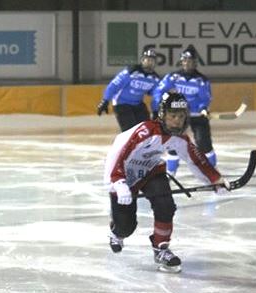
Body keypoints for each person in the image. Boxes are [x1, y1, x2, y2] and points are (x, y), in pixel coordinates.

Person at [105, 92, 228, 273]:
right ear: (162, 114)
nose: (177, 121)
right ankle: (117, 231)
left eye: (181, 116)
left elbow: (195, 159)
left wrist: (215, 179)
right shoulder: (145, 131)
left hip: (152, 172)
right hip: (124, 176)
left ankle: (161, 249)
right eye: (173, 116)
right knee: (126, 227)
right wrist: (118, 182)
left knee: (166, 205)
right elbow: (117, 152)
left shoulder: (179, 137)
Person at [152, 46, 215, 175]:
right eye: (185, 61)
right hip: (178, 117)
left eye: (191, 61)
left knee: (204, 144)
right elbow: (159, 90)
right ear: (182, 62)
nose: (188, 64)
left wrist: (203, 108)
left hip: (197, 116)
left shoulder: (201, 80)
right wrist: (160, 104)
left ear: (196, 63)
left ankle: (211, 171)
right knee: (173, 144)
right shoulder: (174, 77)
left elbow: (206, 98)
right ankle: (171, 172)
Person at [96, 47, 160, 132]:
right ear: (142, 60)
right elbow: (114, 85)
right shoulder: (131, 71)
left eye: (152, 61)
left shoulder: (155, 79)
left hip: (138, 104)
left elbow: (157, 96)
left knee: (146, 128)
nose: (149, 63)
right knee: (130, 131)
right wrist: (105, 101)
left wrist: (155, 111)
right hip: (121, 103)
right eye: (147, 60)